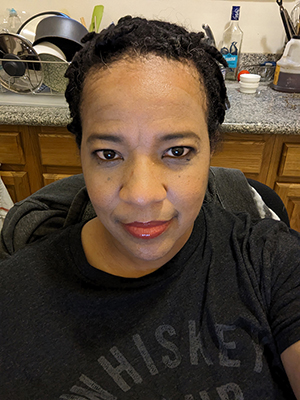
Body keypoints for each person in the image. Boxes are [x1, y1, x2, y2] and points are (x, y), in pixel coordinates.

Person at [1, 15, 300, 400]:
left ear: (211, 148)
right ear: (81, 155)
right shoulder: (12, 302)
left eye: (177, 151)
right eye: (108, 154)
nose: (141, 194)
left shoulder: (271, 263)